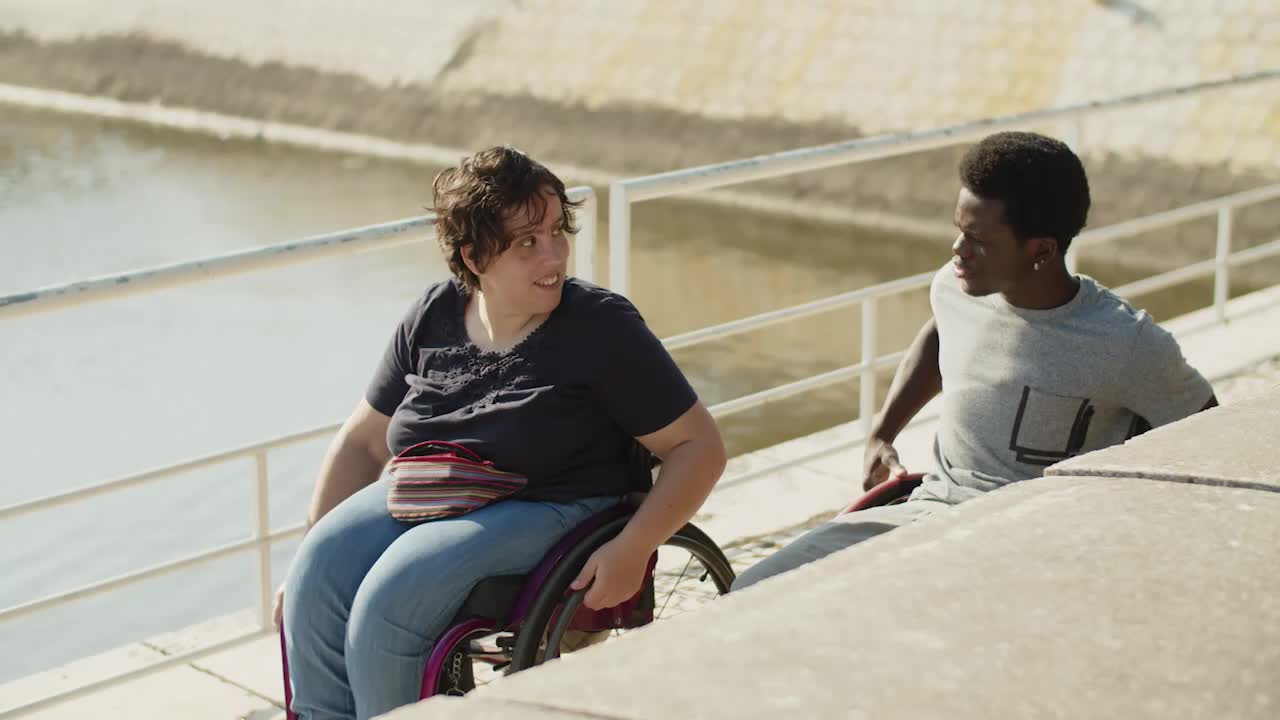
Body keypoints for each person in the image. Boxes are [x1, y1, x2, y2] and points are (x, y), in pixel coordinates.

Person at [279, 146, 726, 720]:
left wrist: (635, 545)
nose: (554, 257)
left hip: (552, 500)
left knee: (397, 587)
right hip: (438, 490)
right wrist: (317, 540)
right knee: (315, 572)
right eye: (526, 243)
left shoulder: (599, 327)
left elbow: (699, 447)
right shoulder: (433, 315)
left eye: (556, 232)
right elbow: (364, 441)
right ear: (475, 255)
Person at [734, 131, 1216, 590]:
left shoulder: (1123, 340)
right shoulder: (956, 288)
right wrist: (882, 433)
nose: (958, 251)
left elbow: (1210, 431)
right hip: (927, 512)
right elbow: (941, 337)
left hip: (1027, 550)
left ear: (1042, 250)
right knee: (751, 590)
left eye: (979, 239)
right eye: (959, 232)